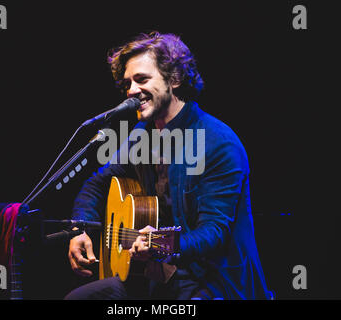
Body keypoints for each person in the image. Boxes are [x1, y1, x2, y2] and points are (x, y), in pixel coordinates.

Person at [65, 31, 272, 300]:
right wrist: (79, 229)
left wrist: (159, 244)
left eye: (142, 80)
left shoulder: (218, 142)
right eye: (127, 83)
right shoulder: (142, 134)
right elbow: (97, 182)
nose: (131, 91)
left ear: (174, 79)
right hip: (157, 278)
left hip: (210, 282)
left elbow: (213, 233)